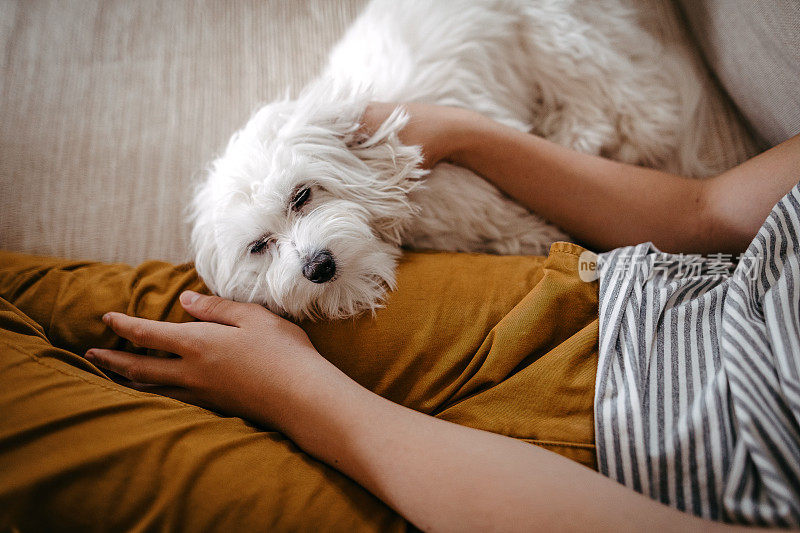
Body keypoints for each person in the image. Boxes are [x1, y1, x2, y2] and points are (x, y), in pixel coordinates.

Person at [70, 103, 800, 530]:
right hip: (603, 298)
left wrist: (296, 391)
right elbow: (704, 210)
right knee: (112, 306)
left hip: (598, 465)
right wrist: (457, 131)